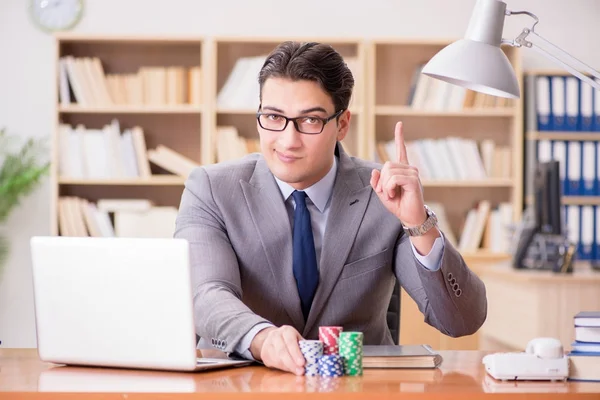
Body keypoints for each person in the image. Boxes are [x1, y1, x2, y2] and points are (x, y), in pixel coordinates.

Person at [174, 41, 487, 376]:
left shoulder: (382, 194)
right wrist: (263, 339)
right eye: (273, 117)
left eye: (309, 120)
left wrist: (419, 223)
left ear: (342, 125)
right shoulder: (211, 188)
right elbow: (206, 295)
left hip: (357, 387)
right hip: (243, 384)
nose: (288, 140)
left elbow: (461, 321)